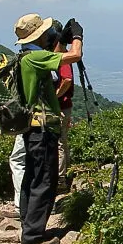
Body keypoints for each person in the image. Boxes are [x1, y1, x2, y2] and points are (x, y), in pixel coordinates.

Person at [12, 13, 84, 244]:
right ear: (40, 35)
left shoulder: (25, 57)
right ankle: (33, 240)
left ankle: (27, 228)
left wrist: (58, 42)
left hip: (31, 128)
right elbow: (74, 56)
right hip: (43, 129)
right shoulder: (36, 58)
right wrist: (77, 36)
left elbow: (53, 56)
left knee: (31, 179)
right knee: (45, 182)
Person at [54, 43, 75, 188]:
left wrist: (55, 97)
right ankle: (66, 174)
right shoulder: (63, 56)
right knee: (62, 141)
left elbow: (67, 79)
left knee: (59, 142)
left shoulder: (62, 58)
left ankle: (61, 180)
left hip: (61, 106)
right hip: (64, 105)